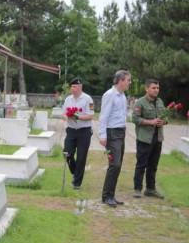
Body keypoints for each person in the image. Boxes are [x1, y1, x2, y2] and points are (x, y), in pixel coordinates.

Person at [98, 69, 131, 207]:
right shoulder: (110, 95)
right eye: (128, 80)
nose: (129, 83)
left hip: (121, 133)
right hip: (112, 134)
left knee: (117, 165)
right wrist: (102, 135)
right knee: (115, 164)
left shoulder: (122, 96)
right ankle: (107, 196)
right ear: (121, 81)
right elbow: (103, 116)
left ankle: (110, 195)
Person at [132, 79, 166, 199]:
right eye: (153, 88)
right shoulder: (140, 103)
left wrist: (164, 122)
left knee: (153, 165)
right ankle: (137, 189)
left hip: (158, 138)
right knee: (141, 164)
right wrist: (150, 122)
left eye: (157, 88)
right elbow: (135, 119)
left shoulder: (160, 102)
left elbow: (165, 117)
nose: (156, 90)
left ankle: (150, 189)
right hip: (144, 139)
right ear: (147, 88)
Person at [60, 78, 95, 189]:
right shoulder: (68, 99)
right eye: (71, 87)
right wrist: (66, 117)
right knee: (67, 153)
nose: (72, 89)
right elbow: (63, 113)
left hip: (84, 131)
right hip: (71, 130)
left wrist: (76, 117)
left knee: (81, 157)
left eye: (75, 87)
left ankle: (77, 183)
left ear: (80, 87)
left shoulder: (88, 99)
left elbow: (90, 116)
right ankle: (76, 173)